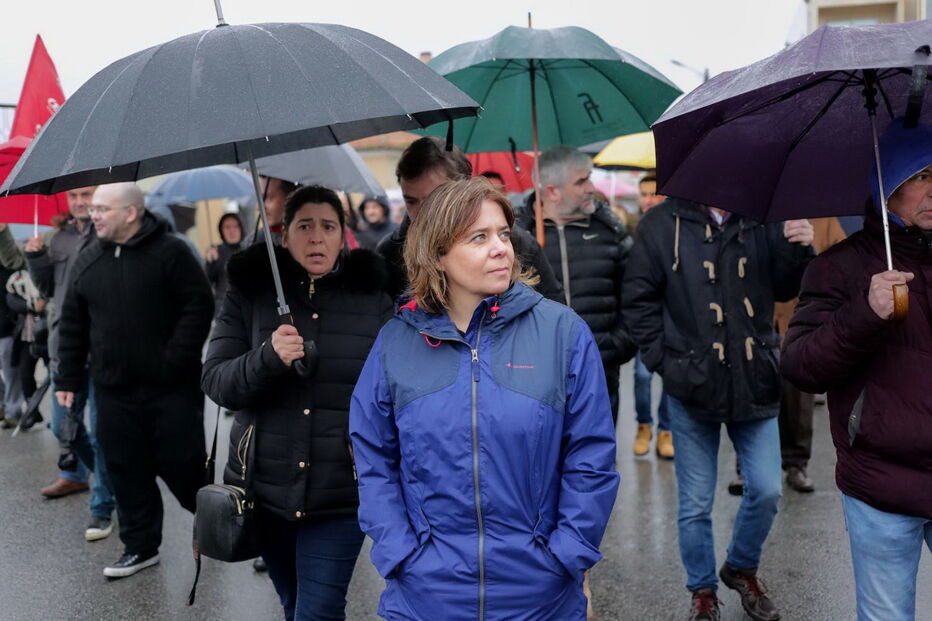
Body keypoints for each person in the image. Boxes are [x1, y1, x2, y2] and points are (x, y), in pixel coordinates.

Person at [351, 177, 619, 620]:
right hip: (425, 596)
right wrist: (400, 552)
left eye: (503, 234)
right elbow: (372, 455)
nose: (501, 249)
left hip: (539, 595)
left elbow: (591, 456)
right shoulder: (395, 342)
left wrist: (566, 554)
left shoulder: (563, 333)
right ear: (437, 253)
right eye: (479, 238)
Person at [202, 184, 393, 621]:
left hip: (341, 491)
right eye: (304, 226)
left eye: (328, 226)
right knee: (293, 605)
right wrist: (267, 357)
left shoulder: (372, 298)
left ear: (343, 235)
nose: (316, 237)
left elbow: (397, 389)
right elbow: (216, 381)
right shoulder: (249, 294)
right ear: (283, 235)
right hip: (265, 490)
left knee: (318, 611)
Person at [623, 197, 814, 621]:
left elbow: (786, 286)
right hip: (690, 385)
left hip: (755, 378)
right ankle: (703, 590)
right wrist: (666, 363)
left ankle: (741, 568)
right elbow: (638, 300)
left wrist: (798, 247)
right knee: (695, 503)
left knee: (766, 489)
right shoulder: (660, 224)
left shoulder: (764, 212)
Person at [782, 120, 932, 621]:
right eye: (920, 176)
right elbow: (801, 365)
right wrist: (864, 314)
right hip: (881, 482)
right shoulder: (838, 267)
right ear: (885, 189)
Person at [55, 182, 213, 578]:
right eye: (93, 209)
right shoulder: (88, 260)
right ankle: (140, 548)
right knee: (126, 470)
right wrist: (67, 381)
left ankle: (218, 527)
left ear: (131, 212)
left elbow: (199, 306)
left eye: (103, 209)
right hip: (113, 393)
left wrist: (174, 360)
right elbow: (72, 325)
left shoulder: (172, 253)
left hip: (171, 390)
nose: (94, 215)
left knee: (183, 465)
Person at [517, 146, 636, 427]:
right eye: (581, 181)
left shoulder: (611, 234)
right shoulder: (518, 238)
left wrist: (616, 346)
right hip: (538, 377)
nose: (591, 188)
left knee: (598, 464)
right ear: (552, 191)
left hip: (601, 372)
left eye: (589, 179)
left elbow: (635, 297)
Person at [23, 187, 118, 541]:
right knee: (62, 427)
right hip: (65, 349)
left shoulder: (110, 231)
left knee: (103, 432)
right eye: (75, 195)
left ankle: (101, 507)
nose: (80, 201)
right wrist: (36, 259)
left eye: (86, 195)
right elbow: (48, 289)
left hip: (103, 348)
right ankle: (114, 481)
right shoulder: (56, 237)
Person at [376, 136, 562, 303]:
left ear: (463, 187)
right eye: (411, 201)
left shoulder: (516, 244)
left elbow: (553, 318)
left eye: (435, 198)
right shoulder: (390, 252)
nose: (424, 211)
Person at [771, 217, 846, 493]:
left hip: (800, 321)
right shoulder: (759, 217)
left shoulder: (825, 220)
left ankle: (796, 463)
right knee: (755, 395)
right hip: (760, 319)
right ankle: (746, 468)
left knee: (798, 401)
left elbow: (840, 260)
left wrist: (808, 249)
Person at [205, 212, 244, 315]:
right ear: (221, 230)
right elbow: (208, 281)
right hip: (223, 308)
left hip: (246, 305)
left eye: (236, 226)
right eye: (227, 227)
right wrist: (211, 263)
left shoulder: (249, 249)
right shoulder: (215, 251)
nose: (232, 231)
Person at [244, 176, 298, 247]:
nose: (258, 207)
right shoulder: (252, 243)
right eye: (260, 199)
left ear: (290, 197)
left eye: (268, 197)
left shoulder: (309, 240)